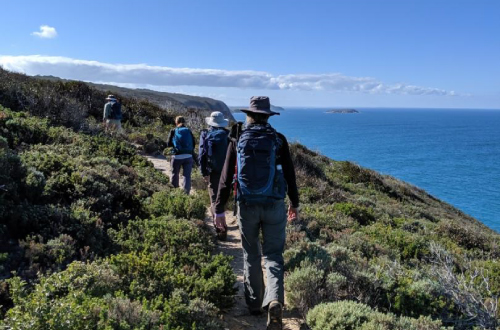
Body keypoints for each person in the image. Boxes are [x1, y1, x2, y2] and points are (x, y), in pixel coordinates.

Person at [214, 96, 299, 329]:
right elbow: (290, 175)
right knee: (273, 255)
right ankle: (274, 300)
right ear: (268, 116)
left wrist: (219, 209)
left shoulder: (239, 137)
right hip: (274, 204)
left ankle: (253, 305)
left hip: (246, 205)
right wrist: (295, 203)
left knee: (251, 254)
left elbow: (225, 176)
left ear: (248, 116)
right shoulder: (278, 140)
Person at [198, 111, 230, 239]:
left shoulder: (205, 134)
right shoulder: (228, 135)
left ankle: (219, 228)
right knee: (224, 196)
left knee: (214, 198)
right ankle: (224, 219)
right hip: (227, 171)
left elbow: (201, 155)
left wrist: (204, 172)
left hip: (213, 171)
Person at [167, 116, 195, 194]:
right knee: (187, 176)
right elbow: (193, 143)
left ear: (176, 122)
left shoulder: (173, 130)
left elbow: (168, 144)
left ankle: (174, 191)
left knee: (175, 174)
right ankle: (186, 193)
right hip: (188, 156)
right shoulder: (188, 131)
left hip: (177, 156)